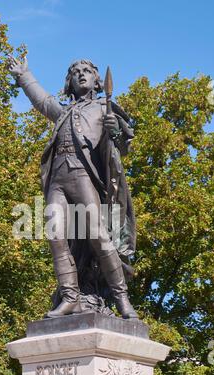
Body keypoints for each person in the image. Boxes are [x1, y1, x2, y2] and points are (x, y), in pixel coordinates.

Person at [8, 56, 138, 319]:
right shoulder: (63, 112)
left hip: (83, 176)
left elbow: (123, 148)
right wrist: (24, 75)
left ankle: (122, 299)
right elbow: (43, 101)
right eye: (76, 72)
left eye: (87, 71)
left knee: (97, 234)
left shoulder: (105, 108)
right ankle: (70, 297)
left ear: (96, 80)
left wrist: (115, 133)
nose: (81, 75)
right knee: (56, 236)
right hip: (57, 178)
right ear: (69, 81)